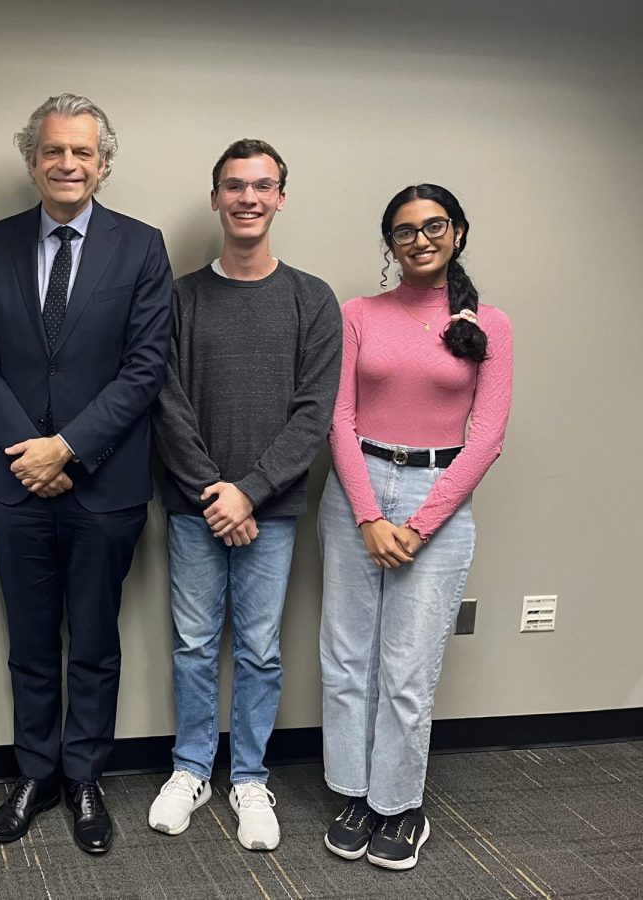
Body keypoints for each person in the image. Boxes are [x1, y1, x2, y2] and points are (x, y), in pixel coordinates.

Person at [0, 93, 173, 855]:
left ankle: (85, 778)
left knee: (92, 641)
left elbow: (146, 367)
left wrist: (70, 448)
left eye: (82, 152)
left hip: (105, 484)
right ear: (32, 160)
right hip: (15, 483)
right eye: (54, 151)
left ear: (104, 163)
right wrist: (32, 450)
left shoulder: (142, 247)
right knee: (27, 641)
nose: (67, 164)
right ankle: (35, 773)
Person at [149, 140, 341, 849]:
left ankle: (250, 777)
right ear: (215, 198)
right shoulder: (179, 297)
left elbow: (313, 414)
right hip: (193, 507)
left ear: (281, 197)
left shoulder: (311, 299)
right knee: (194, 645)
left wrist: (250, 494)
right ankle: (192, 768)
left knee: (260, 650)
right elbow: (165, 401)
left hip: (273, 512)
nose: (249, 198)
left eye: (263, 186)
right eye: (235, 186)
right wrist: (212, 492)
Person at [318, 184, 513, 870]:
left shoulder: (489, 322)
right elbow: (337, 417)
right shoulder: (357, 313)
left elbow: (486, 436)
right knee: (347, 658)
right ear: (389, 243)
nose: (420, 239)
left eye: (434, 226)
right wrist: (370, 514)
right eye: (404, 230)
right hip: (355, 490)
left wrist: (420, 522)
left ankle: (399, 805)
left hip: (441, 491)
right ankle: (353, 792)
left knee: (406, 667)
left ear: (457, 232)